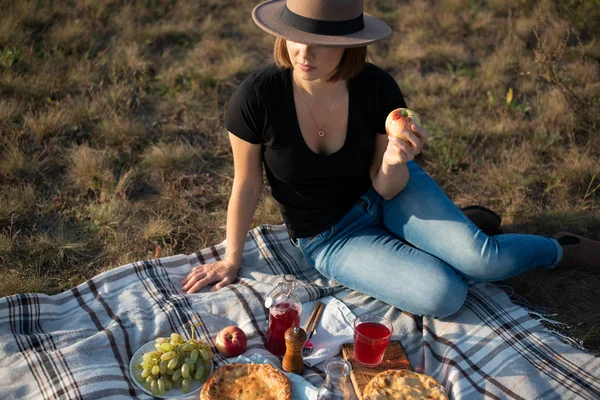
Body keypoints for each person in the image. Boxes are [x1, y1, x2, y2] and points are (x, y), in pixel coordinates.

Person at [181, 0, 600, 318]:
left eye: (321, 42)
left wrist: (396, 161)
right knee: (444, 295)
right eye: (296, 36)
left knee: (483, 260)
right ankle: (455, 232)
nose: (303, 52)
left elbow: (386, 186)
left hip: (390, 192)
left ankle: (558, 248)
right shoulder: (256, 98)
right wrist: (232, 257)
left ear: (348, 45)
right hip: (329, 235)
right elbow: (247, 183)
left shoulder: (377, 88)